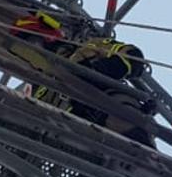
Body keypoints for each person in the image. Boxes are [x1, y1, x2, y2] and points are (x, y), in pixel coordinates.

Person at [12, 11, 155, 147]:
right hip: (80, 139)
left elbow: (132, 56)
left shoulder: (88, 47)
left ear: (46, 35)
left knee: (139, 153)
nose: (30, 51)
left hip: (111, 113)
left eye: (30, 42)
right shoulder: (40, 87)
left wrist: (96, 71)